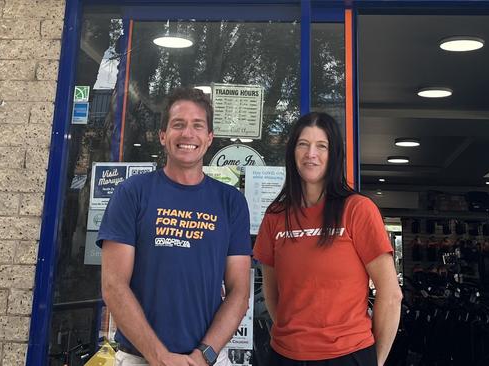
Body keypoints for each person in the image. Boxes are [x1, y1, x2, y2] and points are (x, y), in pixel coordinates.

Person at [97, 87, 252, 366]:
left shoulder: (231, 202)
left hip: (206, 360)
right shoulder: (132, 193)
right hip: (138, 358)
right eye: (178, 124)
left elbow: (239, 292)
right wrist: (159, 356)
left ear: (209, 138)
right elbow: (113, 285)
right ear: (163, 136)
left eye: (197, 126)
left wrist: (204, 355)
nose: (187, 134)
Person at [253, 112, 402, 366]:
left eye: (321, 146)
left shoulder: (357, 210)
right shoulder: (275, 216)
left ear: (334, 156)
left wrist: (375, 362)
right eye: (303, 144)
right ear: (292, 152)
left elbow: (390, 295)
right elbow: (272, 290)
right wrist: (297, 338)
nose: (311, 153)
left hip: (347, 356)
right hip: (284, 356)